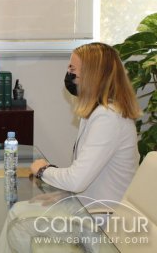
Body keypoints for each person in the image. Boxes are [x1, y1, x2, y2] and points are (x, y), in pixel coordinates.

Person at [30, 42, 141, 203]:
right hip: (90, 207)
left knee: (20, 221)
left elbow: (76, 180)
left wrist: (43, 170)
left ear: (93, 76)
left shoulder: (108, 118)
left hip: (105, 219)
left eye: (72, 70)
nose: (68, 75)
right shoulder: (97, 112)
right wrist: (63, 196)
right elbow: (88, 176)